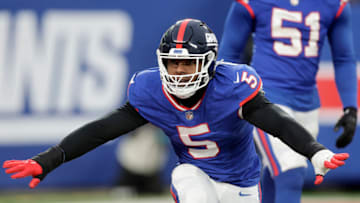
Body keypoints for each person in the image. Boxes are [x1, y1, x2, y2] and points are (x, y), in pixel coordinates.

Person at [3, 18, 350, 203]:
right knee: (190, 185)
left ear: (209, 63)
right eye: (172, 63)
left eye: (187, 63)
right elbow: (102, 129)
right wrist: (49, 159)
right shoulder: (152, 89)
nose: (179, 71)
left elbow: (277, 122)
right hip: (195, 175)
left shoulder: (232, 86)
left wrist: (314, 151)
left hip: (242, 188)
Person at [218, 1, 358, 203]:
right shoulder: (251, 3)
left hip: (307, 104)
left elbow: (344, 57)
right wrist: (223, 99)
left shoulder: (334, 4)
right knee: (291, 170)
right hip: (264, 99)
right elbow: (229, 54)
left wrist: (350, 108)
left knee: (275, 171)